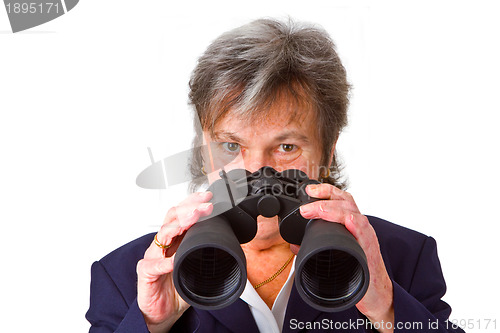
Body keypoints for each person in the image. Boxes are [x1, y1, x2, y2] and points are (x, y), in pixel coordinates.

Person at [86, 18, 464, 333]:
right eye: (231, 146)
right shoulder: (129, 277)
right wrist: (149, 322)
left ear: (328, 152)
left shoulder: (399, 259)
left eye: (286, 147)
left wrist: (389, 310)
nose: (256, 173)